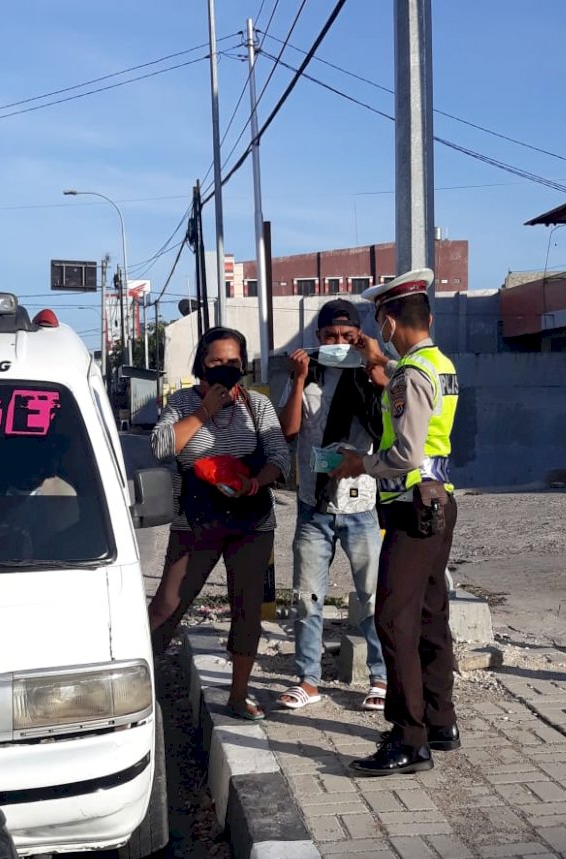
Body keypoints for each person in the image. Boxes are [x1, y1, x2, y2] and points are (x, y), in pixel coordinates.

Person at [331, 269, 460, 776]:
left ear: (388, 319)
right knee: (430, 613)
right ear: (425, 318)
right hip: (439, 502)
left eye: (380, 320)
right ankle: (440, 721)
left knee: (392, 619)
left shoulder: (410, 375)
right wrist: (381, 367)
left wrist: (357, 463)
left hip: (412, 508)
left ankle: (409, 739)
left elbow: (405, 452)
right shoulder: (438, 363)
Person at [148, 325, 290, 722]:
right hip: (195, 523)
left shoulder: (256, 407)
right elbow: (161, 447)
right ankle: (141, 688)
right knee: (166, 606)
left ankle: (238, 695)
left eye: (233, 362)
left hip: (251, 521)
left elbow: (280, 455)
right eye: (216, 362)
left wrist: (253, 482)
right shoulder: (181, 402)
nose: (226, 369)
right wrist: (205, 411)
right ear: (201, 365)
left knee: (247, 610)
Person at [277, 298, 387, 712]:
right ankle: (308, 679)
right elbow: (289, 429)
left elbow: (389, 425)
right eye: (330, 336)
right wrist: (300, 377)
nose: (338, 343)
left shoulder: (371, 372)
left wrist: (374, 368)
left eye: (347, 337)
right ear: (317, 338)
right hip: (314, 505)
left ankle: (381, 678)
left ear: (359, 337)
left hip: (361, 504)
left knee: (373, 596)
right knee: (307, 595)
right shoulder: (308, 375)